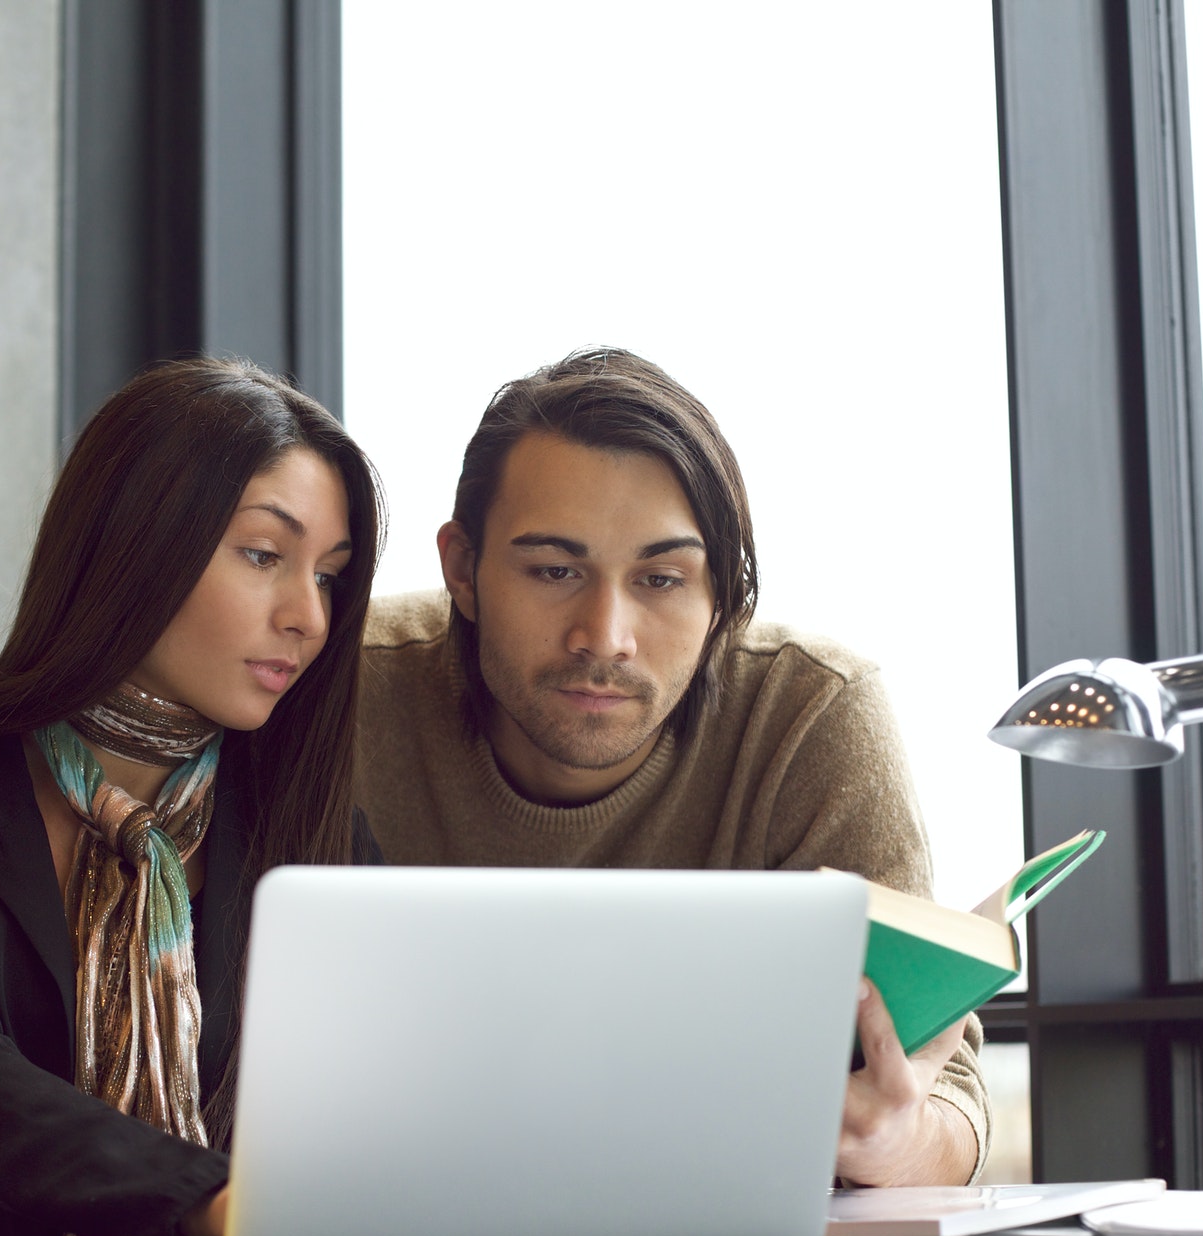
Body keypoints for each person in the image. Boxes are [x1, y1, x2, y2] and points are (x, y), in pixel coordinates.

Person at [0, 357, 384, 1236]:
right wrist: (223, 1207)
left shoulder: (313, 833)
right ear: (136, 543)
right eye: (264, 556)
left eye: (330, 575)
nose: (309, 616)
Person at [355, 348, 987, 1187]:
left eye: (661, 579)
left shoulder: (810, 713)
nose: (605, 635)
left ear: (722, 595)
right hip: (391, 1222)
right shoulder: (343, 692)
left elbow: (946, 1096)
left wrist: (893, 1143)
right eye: (553, 571)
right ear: (463, 571)